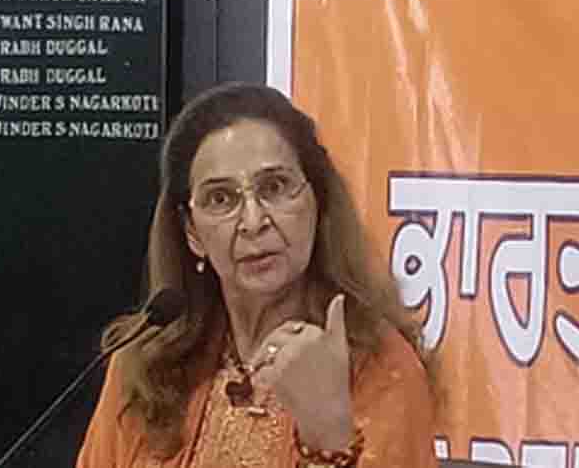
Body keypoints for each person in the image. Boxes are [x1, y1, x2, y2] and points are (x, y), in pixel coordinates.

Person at [76, 82, 437, 468]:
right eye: (221, 198)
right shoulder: (147, 364)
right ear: (192, 231)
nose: (253, 221)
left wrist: (329, 437)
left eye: (275, 187)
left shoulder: (381, 367)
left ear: (318, 202)